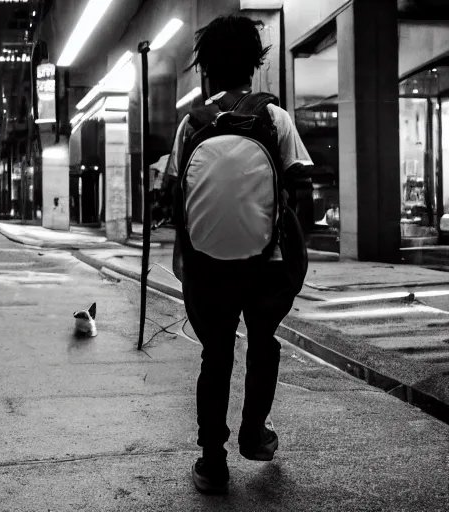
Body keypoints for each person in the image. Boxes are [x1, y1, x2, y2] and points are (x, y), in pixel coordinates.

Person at [163, 15, 313, 495]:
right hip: (266, 264)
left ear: (205, 70)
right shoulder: (274, 118)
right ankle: (254, 433)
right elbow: (299, 185)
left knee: (216, 354)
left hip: (208, 268)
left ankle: (211, 460)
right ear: (256, 64)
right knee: (263, 342)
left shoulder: (191, 124)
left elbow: (173, 196)